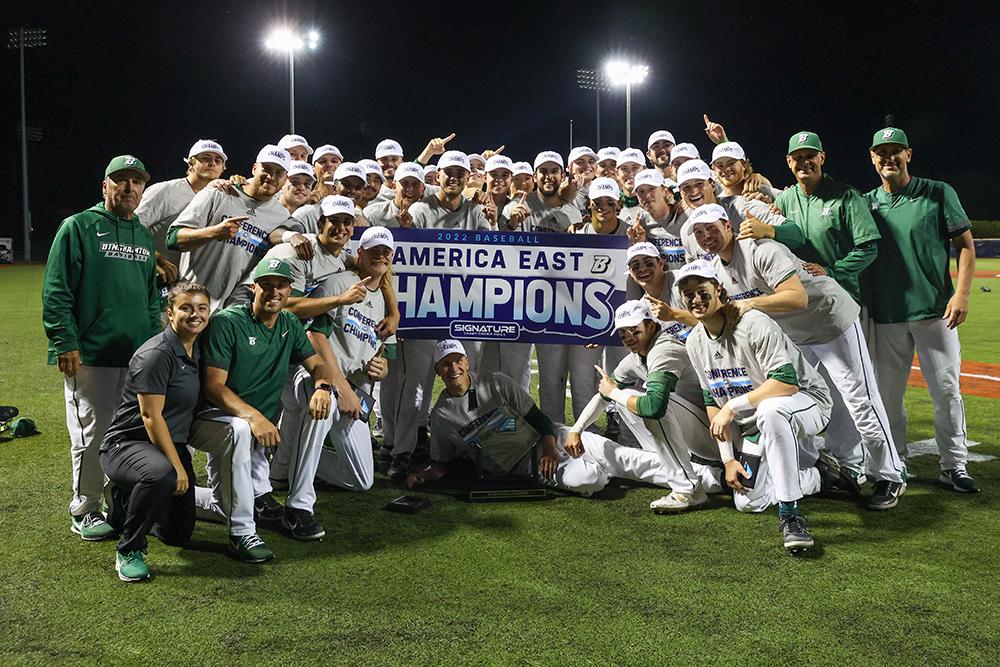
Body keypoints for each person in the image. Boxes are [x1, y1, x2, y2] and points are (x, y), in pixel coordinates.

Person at [687, 203, 906, 509]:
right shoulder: (715, 270)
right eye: (699, 232)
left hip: (829, 320)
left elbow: (798, 297)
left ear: (728, 225)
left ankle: (890, 475)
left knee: (859, 398)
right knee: (790, 399)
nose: (706, 236)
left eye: (712, 228)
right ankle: (823, 467)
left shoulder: (759, 250)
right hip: (794, 334)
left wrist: (751, 305)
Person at [43, 155, 162, 542]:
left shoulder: (144, 235)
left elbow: (150, 299)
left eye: (136, 182)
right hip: (90, 353)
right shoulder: (78, 227)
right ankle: (85, 507)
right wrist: (65, 340)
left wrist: (153, 347)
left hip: (134, 354)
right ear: (105, 186)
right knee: (91, 433)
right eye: (121, 181)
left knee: (124, 434)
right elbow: (57, 289)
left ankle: (117, 502)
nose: (129, 188)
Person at [677, 261, 833, 553]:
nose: (695, 299)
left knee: (771, 410)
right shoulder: (695, 341)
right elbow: (712, 402)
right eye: (688, 294)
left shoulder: (753, 323)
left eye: (701, 291)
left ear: (719, 289)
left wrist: (733, 407)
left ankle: (790, 515)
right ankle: (820, 475)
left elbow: (786, 383)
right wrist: (727, 460)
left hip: (808, 401)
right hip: (755, 424)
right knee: (749, 501)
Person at [188, 258, 333, 561]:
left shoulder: (289, 322)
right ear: (253, 287)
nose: (273, 291)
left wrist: (322, 387)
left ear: (289, 289)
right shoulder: (228, 322)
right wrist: (254, 417)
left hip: (257, 436)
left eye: (280, 285)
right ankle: (240, 532)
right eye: (266, 284)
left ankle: (300, 506)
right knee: (227, 501)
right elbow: (214, 388)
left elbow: (318, 364)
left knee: (319, 395)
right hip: (216, 420)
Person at [863, 127, 981, 493]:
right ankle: (894, 464)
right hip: (886, 315)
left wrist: (961, 294)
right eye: (881, 152)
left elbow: (965, 245)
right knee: (888, 397)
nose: (888, 158)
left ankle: (954, 465)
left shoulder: (937, 191)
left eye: (895, 151)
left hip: (935, 311)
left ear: (908, 154)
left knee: (947, 392)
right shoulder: (865, 202)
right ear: (872, 157)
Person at [405, 341, 678, 496]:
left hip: (551, 438)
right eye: (445, 364)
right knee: (588, 480)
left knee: (628, 458)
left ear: (466, 362)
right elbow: (441, 463)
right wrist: (423, 475)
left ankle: (705, 479)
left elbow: (538, 418)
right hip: (528, 466)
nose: (453, 368)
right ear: (438, 371)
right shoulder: (441, 416)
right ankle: (601, 465)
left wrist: (549, 448)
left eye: (457, 361)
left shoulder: (496, 382)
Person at [381, 150, 492, 479]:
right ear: (437, 176)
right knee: (415, 384)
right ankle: (401, 451)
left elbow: (495, 257)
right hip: (426, 310)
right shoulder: (420, 209)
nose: (455, 177)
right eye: (448, 172)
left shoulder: (475, 211)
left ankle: (471, 445)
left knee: (467, 381)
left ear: (468, 177)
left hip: (465, 309)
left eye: (461, 172)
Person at [99, 282, 210, 581]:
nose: (195, 314)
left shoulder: (197, 348)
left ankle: (125, 498)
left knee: (178, 534)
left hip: (164, 444)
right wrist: (177, 465)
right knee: (162, 475)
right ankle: (129, 549)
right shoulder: (157, 354)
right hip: (127, 444)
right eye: (186, 308)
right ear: (170, 312)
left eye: (202, 308)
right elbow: (150, 417)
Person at [279, 227, 396, 503]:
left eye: (386, 251)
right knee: (325, 405)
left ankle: (290, 460)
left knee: (362, 479)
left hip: (354, 393)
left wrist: (383, 368)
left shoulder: (388, 304)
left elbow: (386, 354)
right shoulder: (339, 283)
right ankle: (299, 502)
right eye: (374, 250)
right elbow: (314, 335)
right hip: (317, 377)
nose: (381, 255)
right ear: (360, 253)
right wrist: (341, 388)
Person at [570, 300, 721, 511]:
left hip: (716, 434)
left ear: (651, 325)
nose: (628, 336)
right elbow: (604, 395)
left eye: (634, 329)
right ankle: (673, 467)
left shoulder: (664, 349)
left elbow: (654, 408)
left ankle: (687, 490)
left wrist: (613, 392)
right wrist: (576, 430)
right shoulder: (636, 357)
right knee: (627, 396)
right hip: (698, 430)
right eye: (622, 332)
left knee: (646, 403)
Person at [167, 145, 307, 312]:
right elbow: (173, 238)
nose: (271, 176)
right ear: (255, 168)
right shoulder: (218, 193)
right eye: (267, 169)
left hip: (234, 314)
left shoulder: (281, 216)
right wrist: (214, 232)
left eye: (279, 173)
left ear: (286, 178)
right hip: (191, 302)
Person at [772, 131, 881, 306]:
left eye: (810, 156)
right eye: (798, 157)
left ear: (822, 158)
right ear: (789, 161)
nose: (804, 163)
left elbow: (868, 249)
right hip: (804, 300)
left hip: (843, 298)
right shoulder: (785, 199)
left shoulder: (847, 195)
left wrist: (831, 271)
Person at [136, 139, 228, 281]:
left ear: (223, 168)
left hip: (188, 285)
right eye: (205, 158)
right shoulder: (164, 190)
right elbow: (131, 225)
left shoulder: (222, 199)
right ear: (191, 163)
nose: (212, 164)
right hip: (152, 276)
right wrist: (153, 257)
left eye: (218, 161)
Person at [502, 151, 582, 232]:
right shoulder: (516, 207)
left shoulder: (574, 215)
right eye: (543, 171)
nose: (548, 177)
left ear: (563, 176)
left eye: (554, 171)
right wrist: (511, 226)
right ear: (535, 177)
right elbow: (499, 242)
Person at [362, 162, 428, 228]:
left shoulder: (431, 217)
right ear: (394, 186)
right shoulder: (372, 214)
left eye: (415, 184)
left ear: (423, 190)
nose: (410, 189)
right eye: (405, 183)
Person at [614, 148, 647, 225]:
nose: (630, 173)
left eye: (635, 168)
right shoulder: (611, 206)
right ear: (617, 174)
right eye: (624, 169)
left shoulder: (656, 202)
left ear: (644, 170)